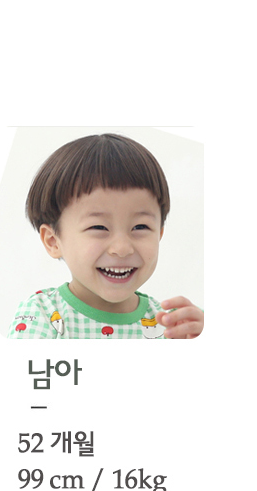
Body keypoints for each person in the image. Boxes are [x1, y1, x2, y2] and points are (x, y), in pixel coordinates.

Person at [11, 130, 204, 337]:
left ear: (159, 234)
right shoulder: (42, 315)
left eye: (140, 227)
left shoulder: (173, 326)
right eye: (99, 227)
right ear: (53, 241)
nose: (122, 248)